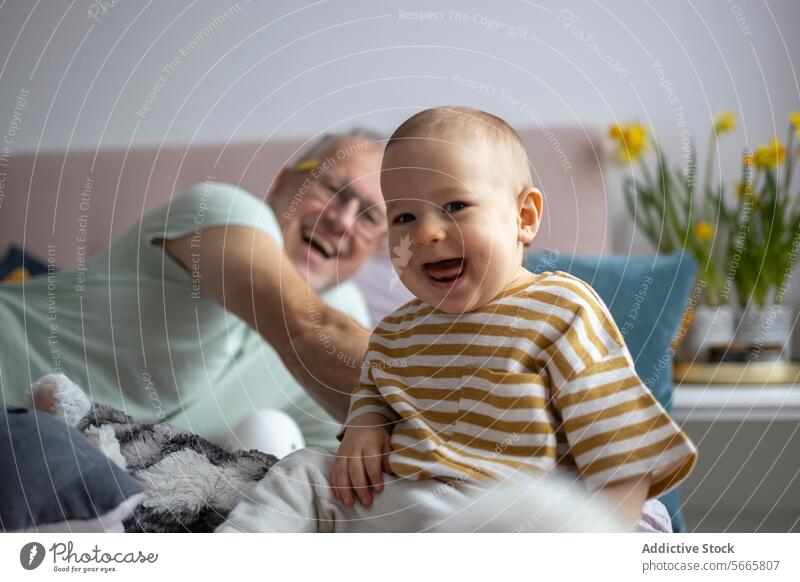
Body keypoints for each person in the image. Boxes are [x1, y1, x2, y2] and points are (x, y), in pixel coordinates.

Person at [218, 106, 697, 533]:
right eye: (403, 217)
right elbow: (376, 390)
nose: (426, 232)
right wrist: (365, 424)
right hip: (418, 498)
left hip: (521, 505)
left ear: (523, 217)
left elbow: (622, 450)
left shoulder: (560, 308)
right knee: (305, 472)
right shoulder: (398, 330)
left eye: (455, 207)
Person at [0, 130, 386, 450]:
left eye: (370, 217)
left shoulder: (348, 312)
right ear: (285, 182)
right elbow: (304, 328)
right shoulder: (225, 209)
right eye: (333, 187)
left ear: (379, 244)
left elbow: (335, 462)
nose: (341, 219)